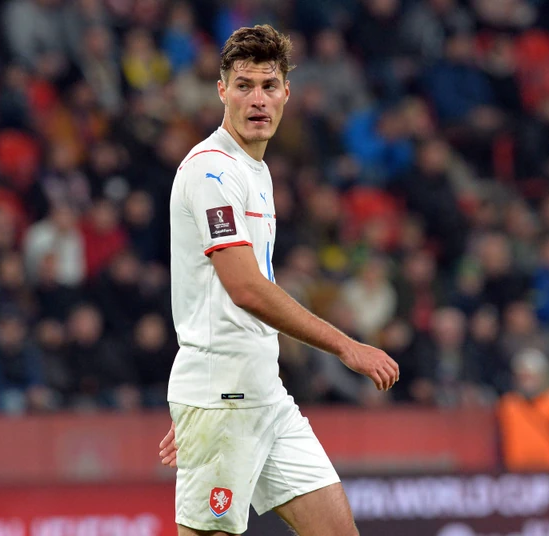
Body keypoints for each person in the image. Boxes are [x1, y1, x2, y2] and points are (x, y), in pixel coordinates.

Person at [157, 25, 399, 536]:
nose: (257, 99)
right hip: (224, 396)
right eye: (243, 85)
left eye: (269, 85)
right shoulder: (211, 171)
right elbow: (245, 288)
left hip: (262, 392)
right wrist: (346, 346)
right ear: (221, 91)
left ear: (287, 92)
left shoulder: (256, 170)